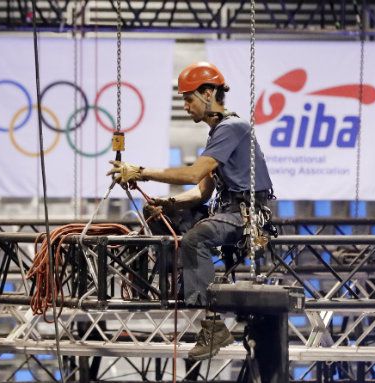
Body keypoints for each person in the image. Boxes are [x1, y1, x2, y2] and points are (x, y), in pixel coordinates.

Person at [108, 61, 274, 360]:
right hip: (225, 211)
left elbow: (193, 174)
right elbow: (202, 191)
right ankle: (176, 286)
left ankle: (212, 325)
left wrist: (142, 172)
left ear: (208, 93)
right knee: (154, 212)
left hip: (245, 216)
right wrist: (167, 204)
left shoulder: (232, 127)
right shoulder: (218, 134)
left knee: (196, 238)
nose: (185, 106)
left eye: (189, 98)